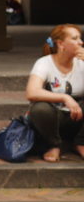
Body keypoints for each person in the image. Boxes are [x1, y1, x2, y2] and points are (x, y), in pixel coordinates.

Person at [26, 25, 84, 162]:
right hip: (53, 120)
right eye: (75, 38)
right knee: (39, 109)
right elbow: (31, 92)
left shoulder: (81, 63)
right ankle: (54, 145)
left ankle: (80, 142)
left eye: (80, 38)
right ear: (61, 44)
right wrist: (65, 97)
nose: (81, 42)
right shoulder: (44, 63)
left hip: (78, 118)